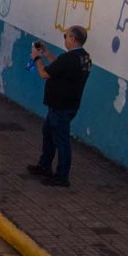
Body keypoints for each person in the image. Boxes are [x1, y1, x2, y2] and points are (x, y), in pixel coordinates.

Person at [27, 25, 91, 187]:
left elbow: (44, 74)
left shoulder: (69, 58)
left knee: (61, 140)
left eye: (66, 36)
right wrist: (46, 53)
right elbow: (60, 66)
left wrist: (37, 58)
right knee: (48, 133)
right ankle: (44, 166)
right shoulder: (84, 57)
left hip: (60, 106)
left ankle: (62, 176)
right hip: (67, 105)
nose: (64, 38)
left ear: (73, 39)